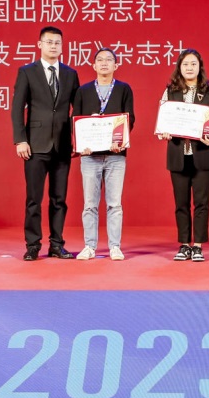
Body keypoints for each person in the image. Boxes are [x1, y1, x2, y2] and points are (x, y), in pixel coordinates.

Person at [11, 26, 79, 262]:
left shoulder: (70, 74)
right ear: (40, 45)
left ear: (62, 46)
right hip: (35, 145)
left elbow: (77, 110)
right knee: (34, 199)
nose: (53, 46)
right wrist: (20, 139)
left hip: (62, 145)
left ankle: (57, 244)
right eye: (49, 42)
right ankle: (33, 245)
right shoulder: (27, 72)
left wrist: (79, 140)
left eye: (57, 42)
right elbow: (17, 108)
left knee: (59, 199)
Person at [158, 49, 209, 263]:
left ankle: (198, 246)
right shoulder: (170, 91)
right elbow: (163, 120)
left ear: (199, 67)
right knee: (181, 203)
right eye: (185, 64)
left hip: (202, 153)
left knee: (202, 202)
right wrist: (164, 132)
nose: (189, 68)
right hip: (178, 153)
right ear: (179, 67)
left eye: (193, 64)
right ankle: (184, 244)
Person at [72, 48, 135, 261]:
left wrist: (120, 142)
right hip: (89, 156)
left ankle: (114, 247)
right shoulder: (83, 91)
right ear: (94, 65)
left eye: (109, 60)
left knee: (114, 204)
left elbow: (130, 118)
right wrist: (81, 144)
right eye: (100, 60)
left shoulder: (124, 89)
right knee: (89, 204)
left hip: (116, 155)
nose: (104, 63)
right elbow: (76, 120)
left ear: (116, 65)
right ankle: (89, 246)